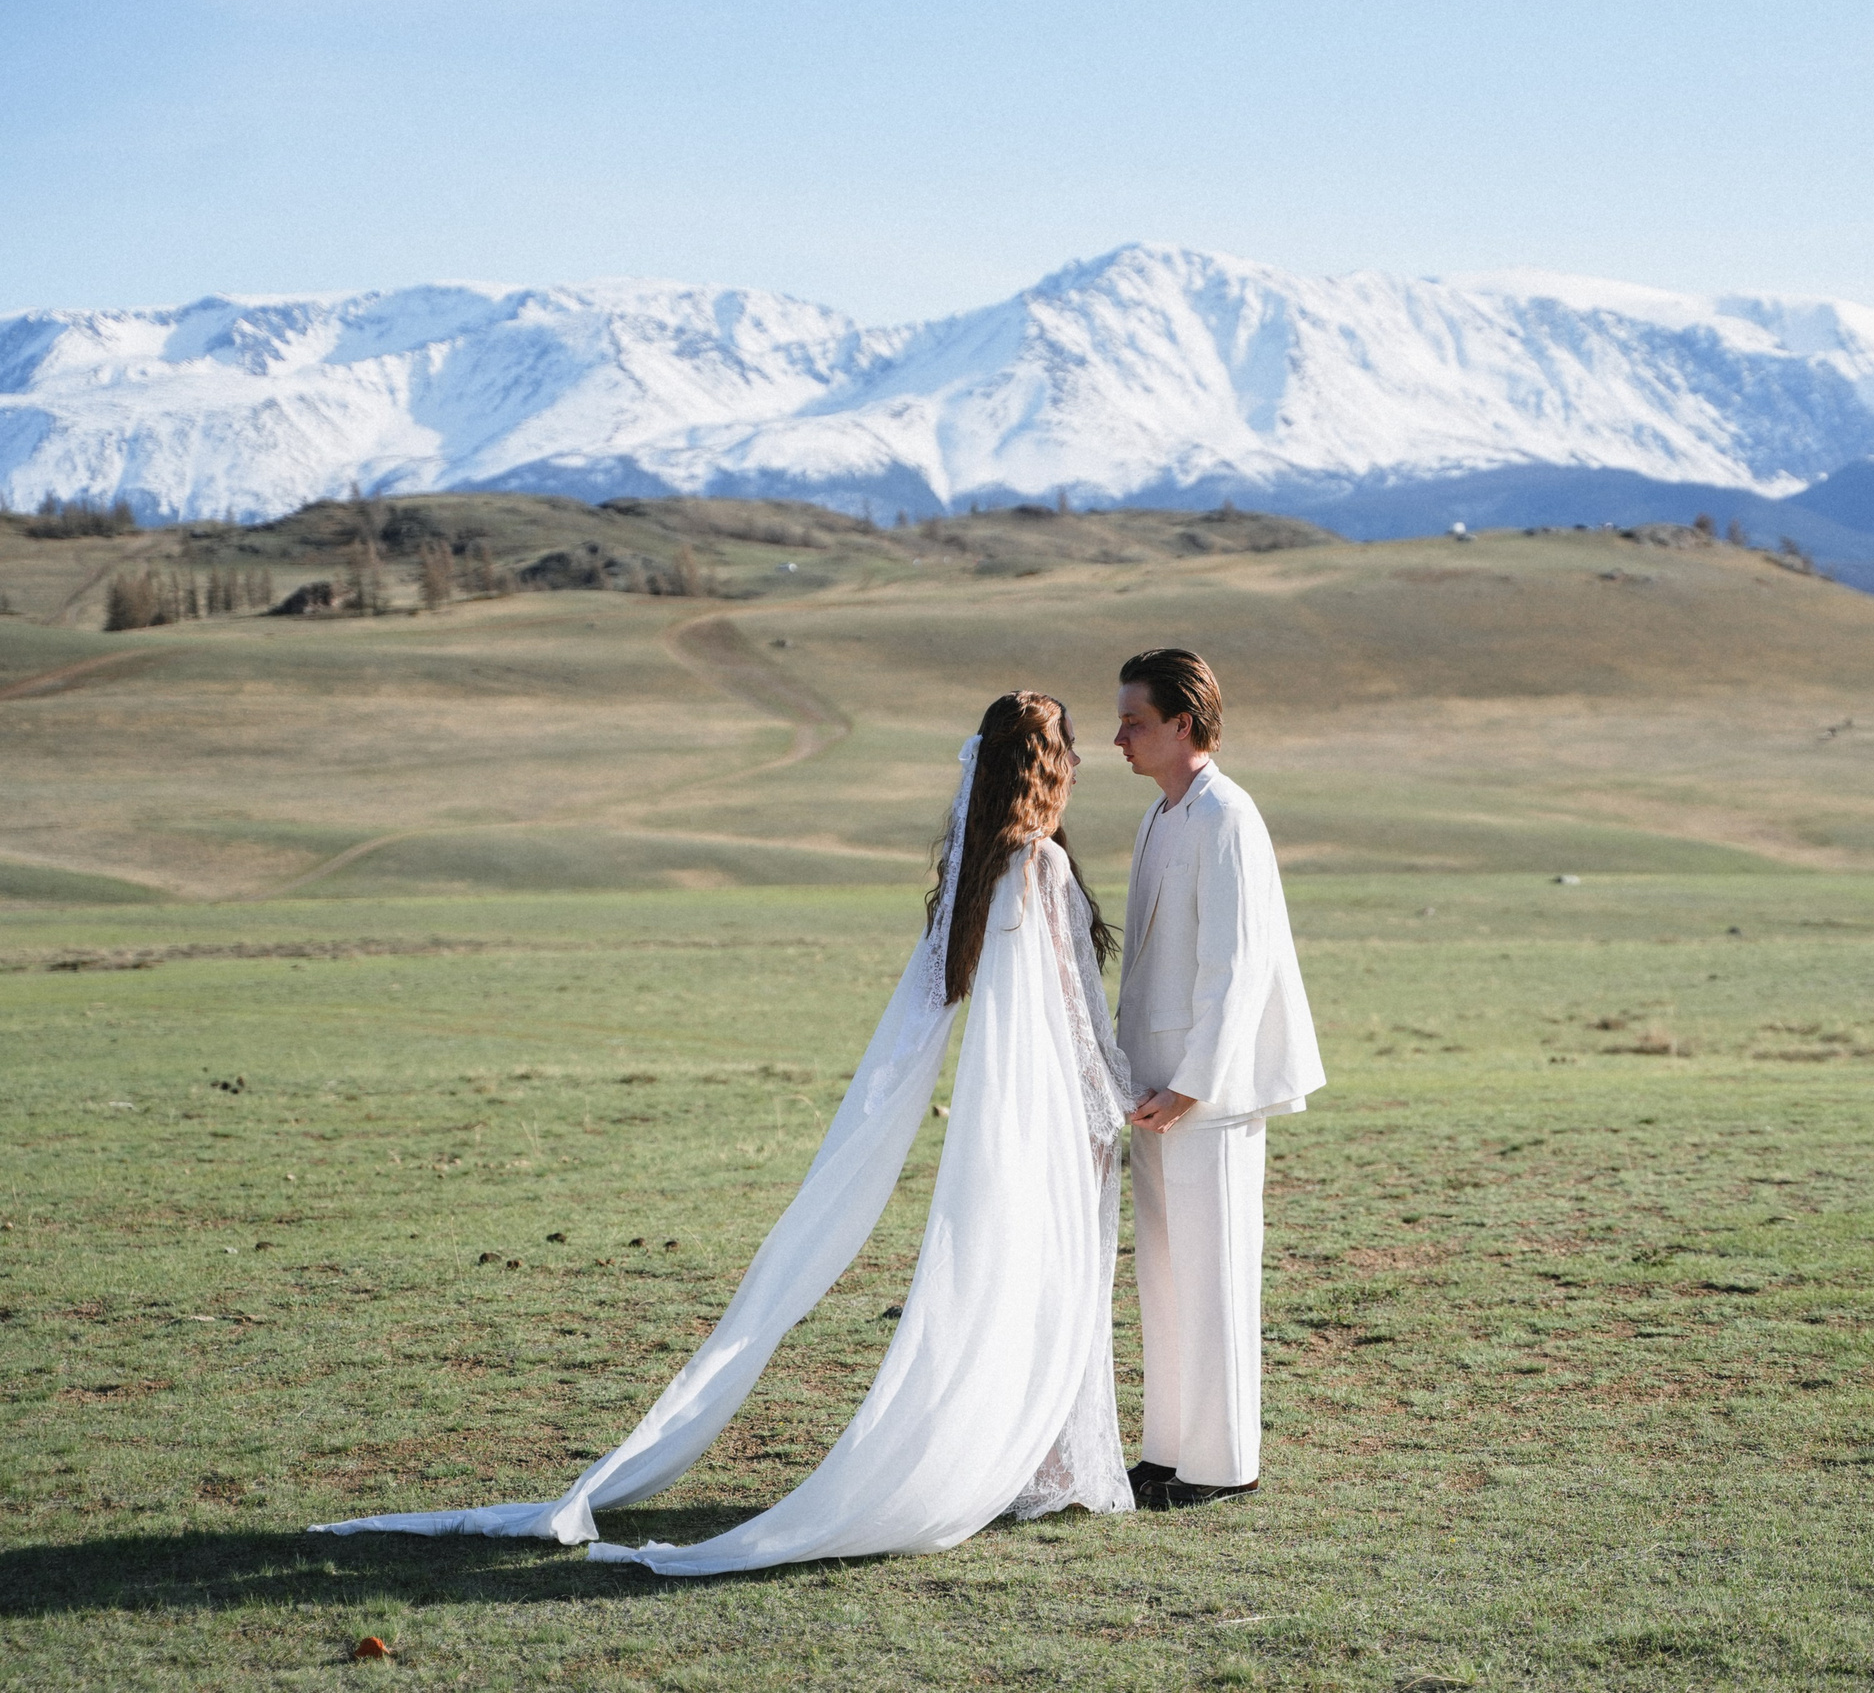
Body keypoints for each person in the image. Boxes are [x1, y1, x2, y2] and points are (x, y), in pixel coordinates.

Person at [313, 693, 1135, 1573]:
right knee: (1047, 1278)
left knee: (1020, 1280)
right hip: (1047, 1123)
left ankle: (1033, 1455)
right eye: (1071, 749)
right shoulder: (1040, 865)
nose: (1083, 762)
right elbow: (1074, 1010)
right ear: (1041, 765)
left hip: (1015, 1122)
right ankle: (1040, 1461)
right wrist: (1115, 1104)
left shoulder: (982, 870)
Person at [1112, 649, 1326, 1510]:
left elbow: (1236, 967)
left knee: (1218, 1270)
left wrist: (1195, 1083)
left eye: (1134, 720)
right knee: (1164, 1274)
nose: (1118, 735)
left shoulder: (1229, 815)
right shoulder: (1161, 817)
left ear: (1182, 726)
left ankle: (1227, 1463)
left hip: (1211, 1089)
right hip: (1155, 1082)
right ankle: (1168, 1450)